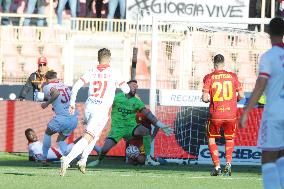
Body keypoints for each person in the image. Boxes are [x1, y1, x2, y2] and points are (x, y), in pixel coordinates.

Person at [59, 48, 130, 176]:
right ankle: (67, 158)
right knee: (88, 137)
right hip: (101, 110)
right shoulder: (114, 72)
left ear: (98, 59)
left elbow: (75, 86)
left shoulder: (91, 71)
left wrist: (72, 103)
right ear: (109, 59)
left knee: (94, 136)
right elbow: (126, 89)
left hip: (89, 106)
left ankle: (83, 160)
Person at [86, 80, 173, 170]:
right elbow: (103, 106)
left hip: (131, 128)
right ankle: (98, 160)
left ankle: (148, 158)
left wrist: (161, 125)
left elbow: (148, 114)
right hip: (117, 129)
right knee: (104, 149)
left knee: (145, 130)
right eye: (133, 86)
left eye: (136, 87)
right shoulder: (116, 97)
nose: (135, 88)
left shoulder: (137, 102)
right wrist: (90, 117)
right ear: (126, 87)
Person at [240, 18, 284, 189]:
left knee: (268, 157)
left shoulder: (269, 56)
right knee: (281, 156)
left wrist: (246, 111)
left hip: (273, 114)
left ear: (268, 32)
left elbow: (260, 84)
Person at [202, 54, 244, 176]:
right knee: (229, 138)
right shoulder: (233, 76)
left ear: (214, 64)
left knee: (211, 138)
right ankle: (229, 164)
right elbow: (241, 96)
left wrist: (205, 99)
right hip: (231, 114)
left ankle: (217, 167)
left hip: (216, 114)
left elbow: (205, 98)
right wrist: (232, 101)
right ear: (224, 64)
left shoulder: (209, 77)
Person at [41, 70, 79, 163]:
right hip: (73, 118)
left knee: (48, 133)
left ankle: (44, 158)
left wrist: (46, 104)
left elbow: (56, 93)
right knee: (60, 139)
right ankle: (70, 156)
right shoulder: (64, 85)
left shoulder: (48, 86)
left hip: (63, 117)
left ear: (46, 79)